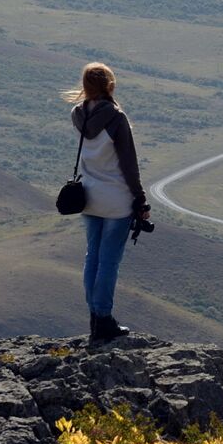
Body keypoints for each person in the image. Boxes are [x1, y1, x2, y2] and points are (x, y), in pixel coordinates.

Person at [61, 62, 149, 343]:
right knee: (109, 262)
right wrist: (140, 198)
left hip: (89, 196)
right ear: (110, 85)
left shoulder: (78, 115)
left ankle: (94, 318)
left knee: (92, 258)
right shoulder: (116, 119)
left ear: (85, 87)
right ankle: (104, 320)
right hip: (116, 200)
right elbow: (128, 164)